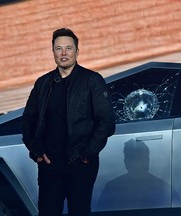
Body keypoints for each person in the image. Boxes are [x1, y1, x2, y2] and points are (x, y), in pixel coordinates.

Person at [22, 28, 116, 216]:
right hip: (50, 166)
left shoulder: (92, 80)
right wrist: (37, 151)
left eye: (68, 48)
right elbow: (28, 121)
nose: (63, 53)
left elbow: (107, 122)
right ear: (53, 52)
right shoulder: (43, 83)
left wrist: (87, 154)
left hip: (80, 164)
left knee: (79, 211)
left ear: (77, 52)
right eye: (58, 48)